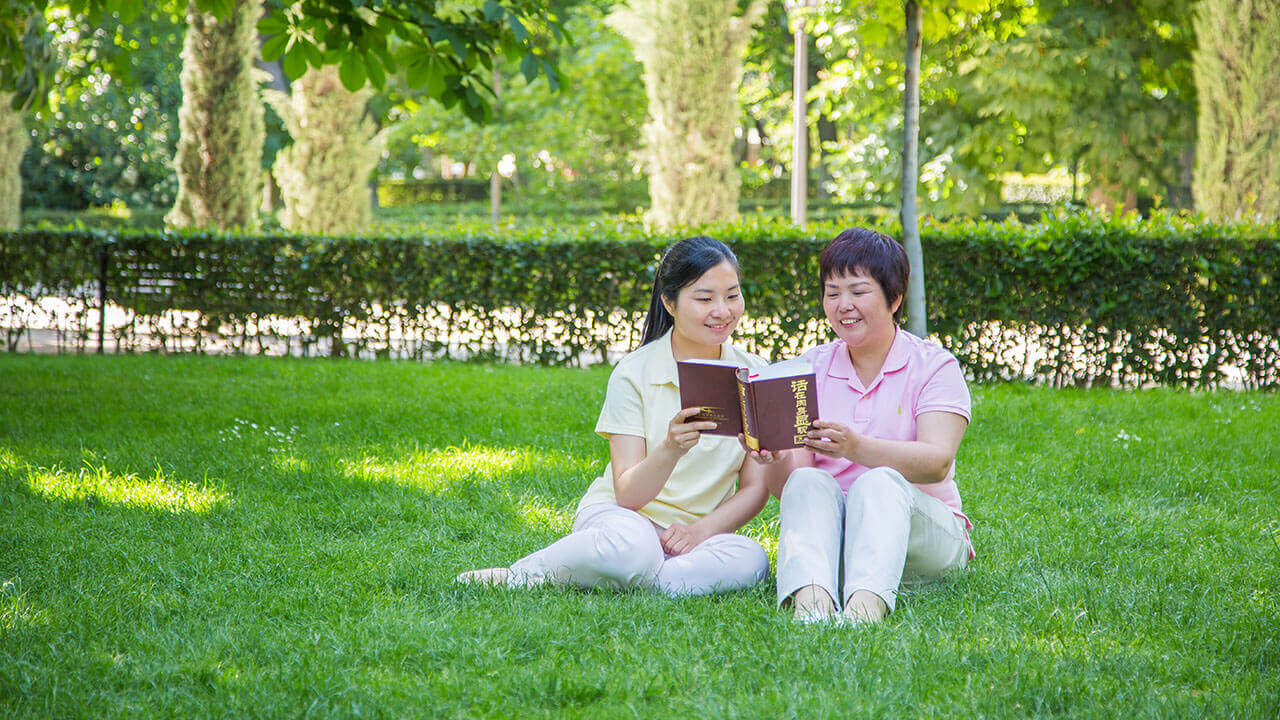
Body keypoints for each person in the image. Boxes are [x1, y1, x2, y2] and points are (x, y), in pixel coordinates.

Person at [455, 236, 780, 596]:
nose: (722, 310)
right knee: (632, 550)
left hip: (699, 536)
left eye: (732, 295)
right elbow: (627, 494)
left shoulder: (754, 375)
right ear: (669, 303)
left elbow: (753, 489)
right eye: (704, 298)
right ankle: (523, 573)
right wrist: (670, 448)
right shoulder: (634, 373)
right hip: (626, 520)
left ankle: (649, 578)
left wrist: (699, 532)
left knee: (752, 559)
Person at [767, 227, 974, 625]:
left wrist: (855, 447)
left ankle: (863, 615)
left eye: (858, 292)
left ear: (894, 298)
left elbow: (936, 462)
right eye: (832, 292)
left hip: (924, 540)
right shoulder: (807, 369)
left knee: (878, 482)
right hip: (840, 541)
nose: (843, 305)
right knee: (808, 483)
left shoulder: (934, 366)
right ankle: (813, 611)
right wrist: (774, 455)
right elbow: (787, 488)